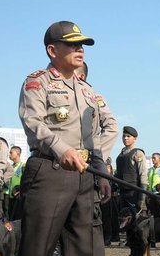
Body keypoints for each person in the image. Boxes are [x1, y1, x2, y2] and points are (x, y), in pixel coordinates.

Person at [18, 20, 111, 256]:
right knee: (38, 247)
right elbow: (33, 122)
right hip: (51, 171)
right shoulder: (38, 82)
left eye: (82, 44)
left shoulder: (87, 90)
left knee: (84, 248)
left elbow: (94, 138)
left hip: (85, 175)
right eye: (72, 45)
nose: (80, 49)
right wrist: (62, 149)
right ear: (52, 50)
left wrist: (101, 172)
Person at [75, 62, 119, 254]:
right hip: (57, 168)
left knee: (88, 227)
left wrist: (96, 157)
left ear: (82, 77)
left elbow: (111, 127)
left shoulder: (93, 97)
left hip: (85, 169)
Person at [115, 126, 148, 211]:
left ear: (135, 138)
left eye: (128, 136)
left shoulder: (138, 153)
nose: (125, 138)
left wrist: (142, 198)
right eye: (124, 136)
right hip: (122, 194)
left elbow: (143, 175)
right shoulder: (120, 155)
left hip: (135, 193)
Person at [5, 146, 25, 220]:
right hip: (9, 197)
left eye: (11, 153)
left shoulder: (23, 166)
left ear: (18, 153)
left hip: (18, 198)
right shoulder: (9, 167)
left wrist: (20, 191)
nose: (9, 154)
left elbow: (27, 182)